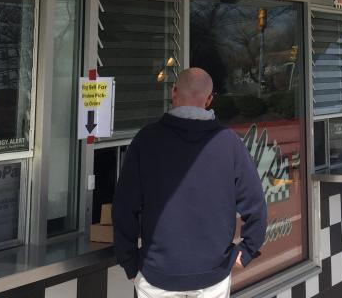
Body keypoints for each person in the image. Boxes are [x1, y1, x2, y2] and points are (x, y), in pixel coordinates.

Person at [113, 68, 267, 298]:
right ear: (209, 99)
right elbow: (255, 205)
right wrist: (246, 250)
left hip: (156, 275)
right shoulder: (229, 143)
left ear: (173, 92)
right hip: (213, 275)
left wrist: (129, 261)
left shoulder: (146, 140)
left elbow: (124, 207)